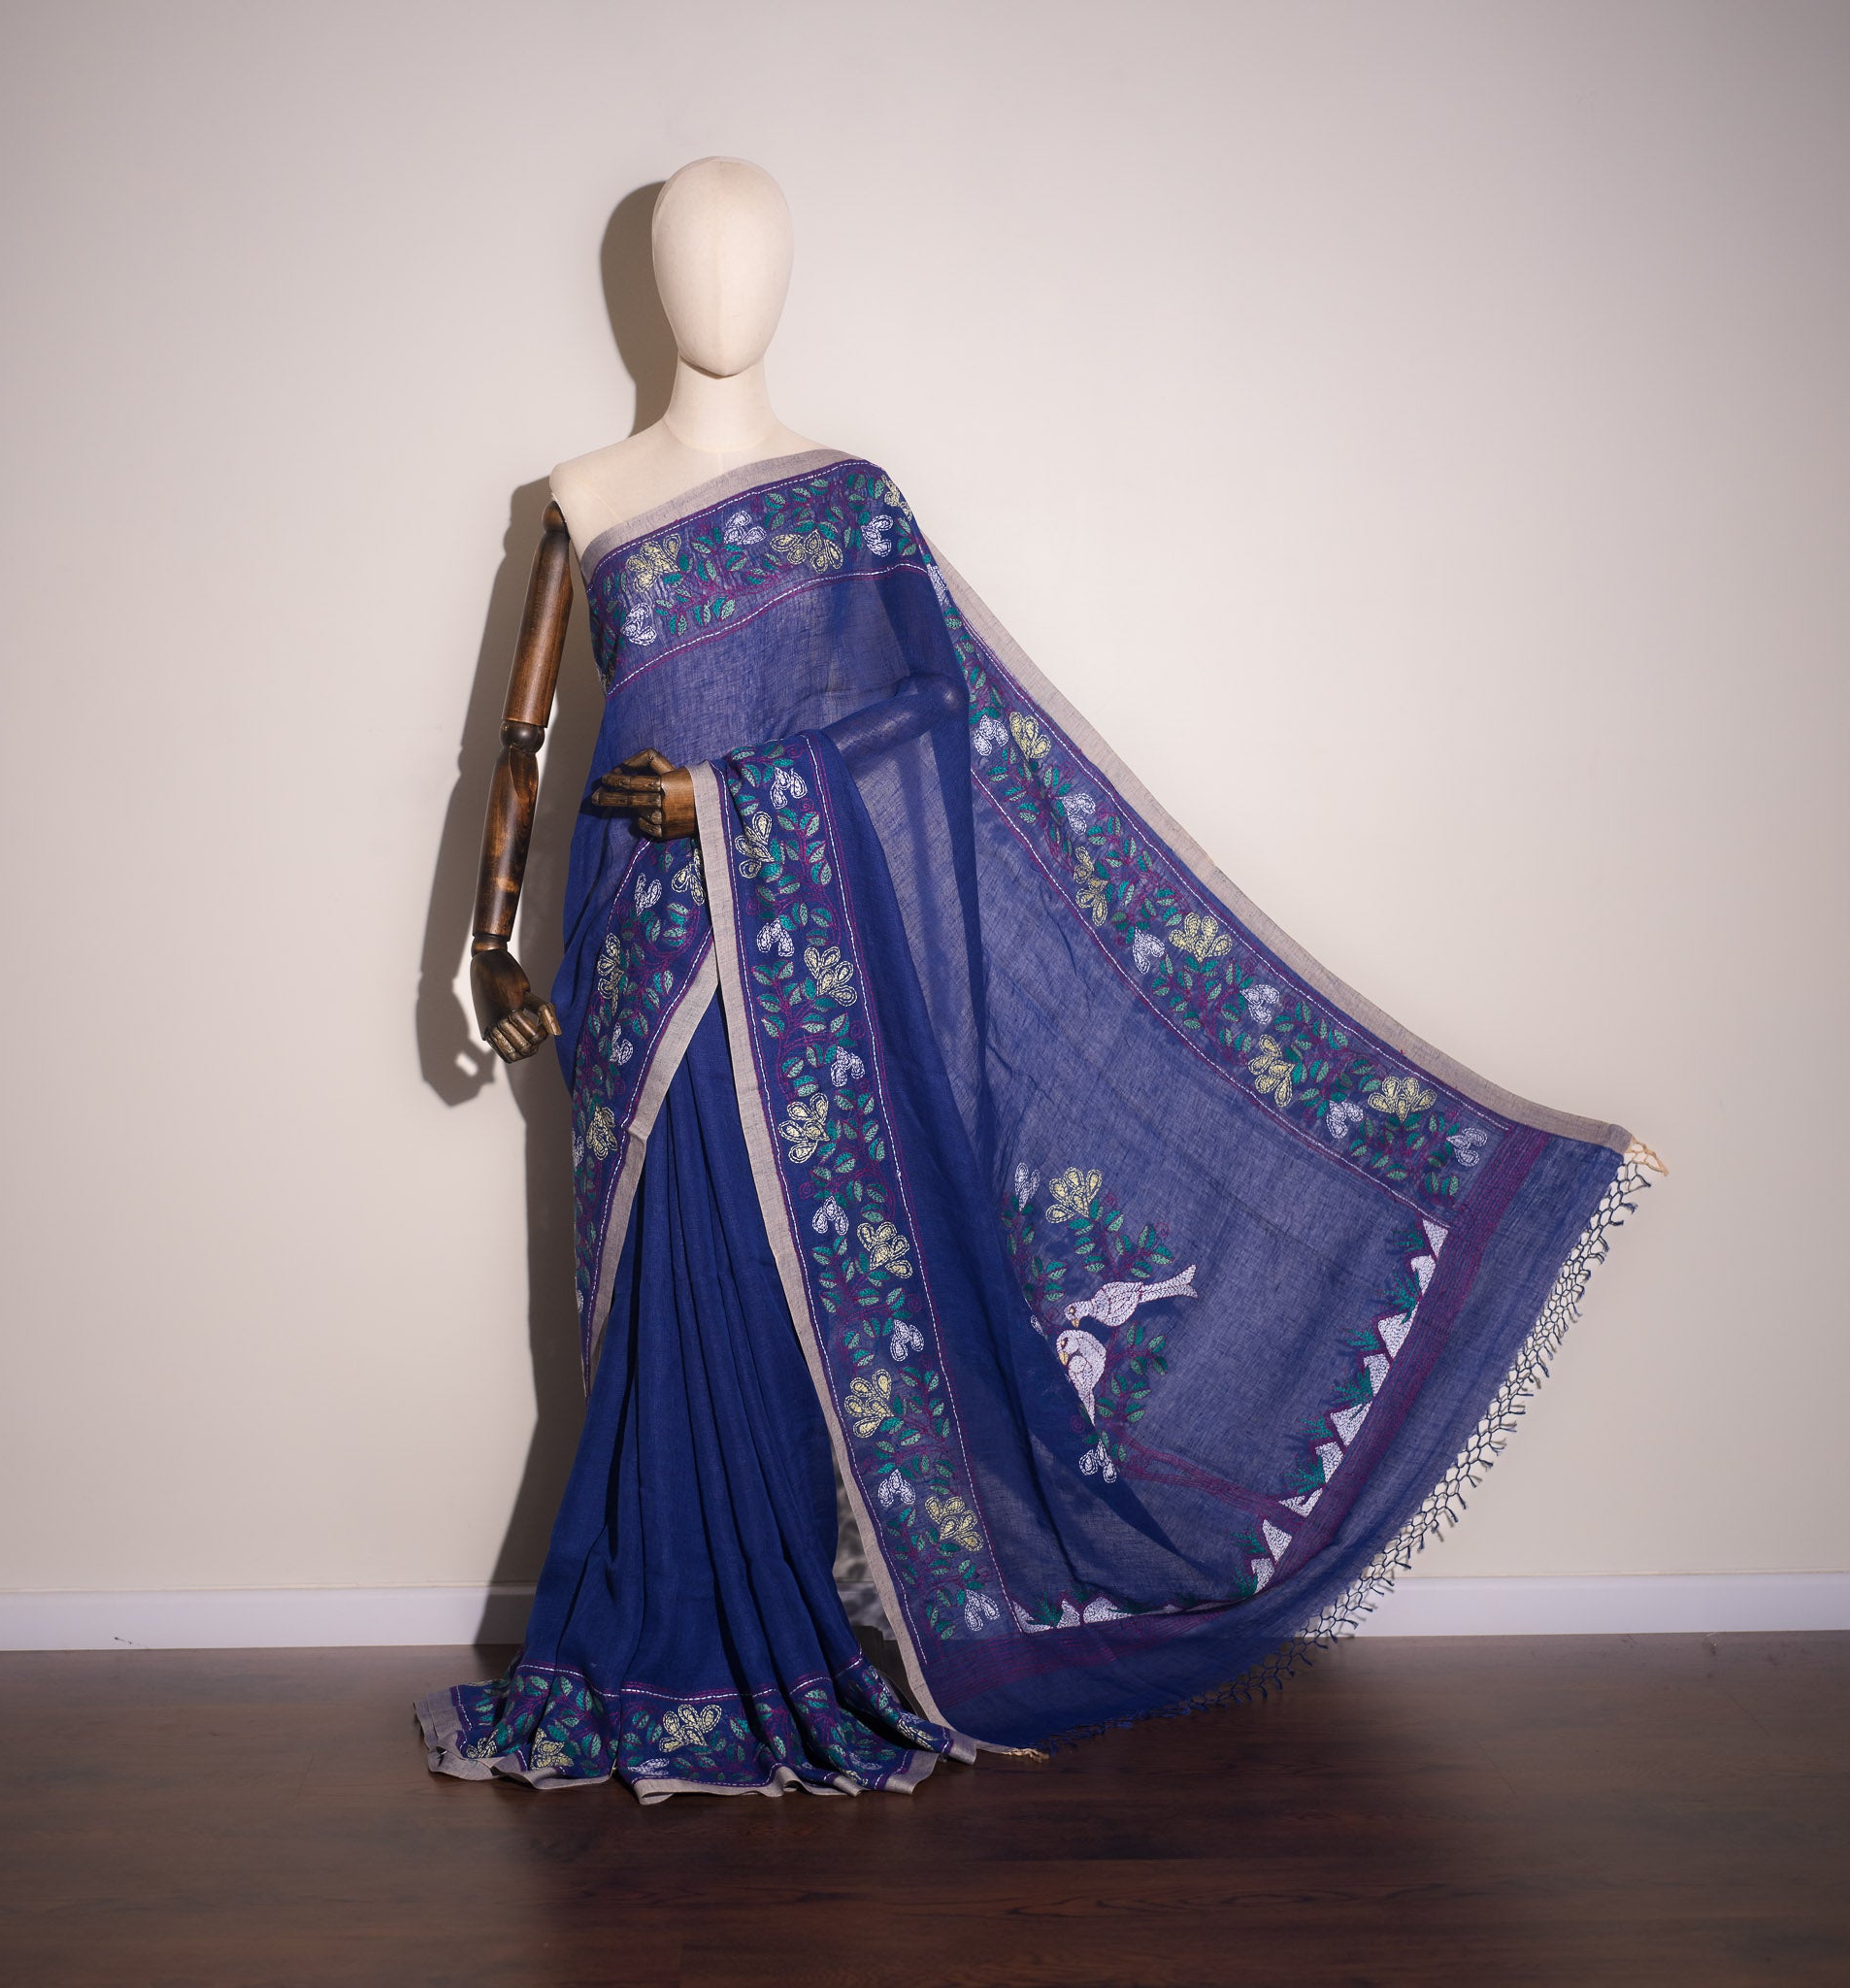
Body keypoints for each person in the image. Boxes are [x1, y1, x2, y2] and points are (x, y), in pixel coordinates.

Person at [417, 158, 1663, 1802]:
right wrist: (489, 937)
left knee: (769, 1301)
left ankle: (774, 1642)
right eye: (697, 259)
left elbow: (934, 731)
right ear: (650, 283)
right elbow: (514, 747)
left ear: (787, 280)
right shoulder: (582, 495)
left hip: (790, 981)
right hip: (640, 963)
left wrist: (729, 801)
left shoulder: (850, 502)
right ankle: (648, 1646)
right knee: (656, 1299)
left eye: (752, 257)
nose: (725, 288)